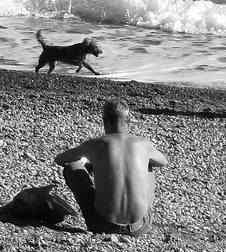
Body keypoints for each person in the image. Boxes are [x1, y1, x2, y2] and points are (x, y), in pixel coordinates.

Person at [54, 99, 168, 237]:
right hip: (139, 227)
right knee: (149, 164)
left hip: (102, 225)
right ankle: (140, 216)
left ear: (105, 122)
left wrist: (90, 163)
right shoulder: (143, 144)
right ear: (128, 122)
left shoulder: (96, 144)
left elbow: (60, 159)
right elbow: (163, 162)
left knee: (71, 167)